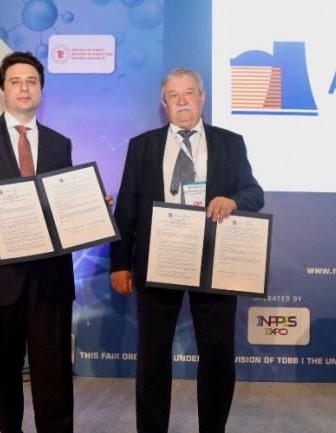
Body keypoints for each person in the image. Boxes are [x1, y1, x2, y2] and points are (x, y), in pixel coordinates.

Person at [0, 51, 99, 433]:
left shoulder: (60, 143)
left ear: (41, 90)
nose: (24, 87)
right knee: (5, 373)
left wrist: (90, 206)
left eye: (32, 81)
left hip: (49, 278)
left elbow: (60, 201)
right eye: (15, 81)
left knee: (54, 372)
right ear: (3, 90)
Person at [110, 67, 264, 433]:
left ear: (202, 98)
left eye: (190, 93)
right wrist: (120, 263)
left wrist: (233, 200)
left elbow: (255, 193)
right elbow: (126, 208)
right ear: (164, 104)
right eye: (174, 95)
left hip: (213, 263)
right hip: (157, 262)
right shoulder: (142, 145)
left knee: (218, 354)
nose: (182, 101)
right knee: (152, 356)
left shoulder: (231, 143)